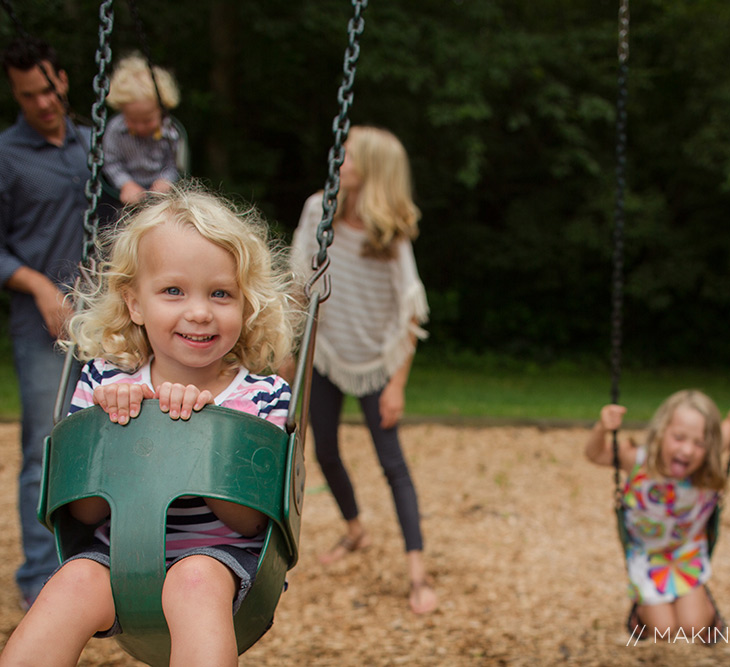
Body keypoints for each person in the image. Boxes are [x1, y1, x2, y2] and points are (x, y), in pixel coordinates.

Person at [0, 183, 299, 664]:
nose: (199, 311)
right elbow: (85, 514)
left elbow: (247, 520)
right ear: (135, 303)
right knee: (70, 583)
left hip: (223, 561)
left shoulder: (262, 396)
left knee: (193, 580)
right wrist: (116, 424)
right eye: (173, 291)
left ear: (245, 307)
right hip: (118, 558)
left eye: (221, 293)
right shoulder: (102, 382)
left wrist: (199, 432)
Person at [289, 126, 437, 615]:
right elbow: (299, 282)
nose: (339, 158)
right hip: (329, 353)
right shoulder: (319, 210)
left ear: (373, 169)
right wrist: (292, 354)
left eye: (349, 154)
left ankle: (418, 570)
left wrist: (397, 383)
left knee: (392, 464)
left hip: (376, 362)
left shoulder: (390, 231)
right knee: (325, 450)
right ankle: (355, 529)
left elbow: (412, 310)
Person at [0, 36, 89, 610]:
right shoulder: (7, 154)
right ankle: (40, 577)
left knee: (106, 437)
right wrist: (35, 284)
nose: (43, 103)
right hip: (41, 328)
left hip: (107, 319)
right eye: (28, 95)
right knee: (44, 447)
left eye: (49, 89)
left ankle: (95, 563)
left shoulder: (95, 141)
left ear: (63, 78)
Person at [584, 372, 730, 643]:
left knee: (693, 628)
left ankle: (705, 609)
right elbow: (595, 454)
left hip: (686, 551)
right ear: (661, 432)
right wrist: (602, 428)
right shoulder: (639, 460)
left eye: (699, 443)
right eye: (679, 437)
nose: (688, 450)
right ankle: (642, 612)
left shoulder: (705, 464)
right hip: (646, 553)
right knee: (664, 630)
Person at [103, 53, 181, 205]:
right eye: (132, 120)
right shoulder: (115, 130)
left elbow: (174, 164)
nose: (140, 127)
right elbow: (111, 163)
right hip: (125, 194)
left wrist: (165, 181)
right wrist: (125, 184)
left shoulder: (170, 131)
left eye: (147, 120)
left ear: (162, 110)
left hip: (160, 193)